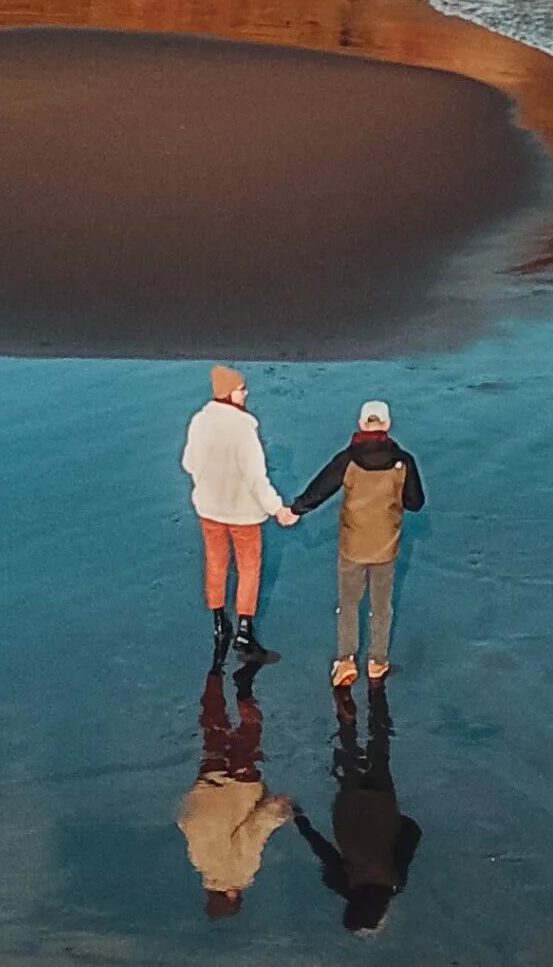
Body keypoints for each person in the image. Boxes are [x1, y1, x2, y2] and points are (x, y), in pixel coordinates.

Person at [294, 399, 426, 687]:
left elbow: (321, 488)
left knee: (348, 603)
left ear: (361, 423)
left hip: (352, 545)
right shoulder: (403, 461)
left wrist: (296, 509)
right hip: (386, 545)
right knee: (381, 605)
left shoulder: (347, 460)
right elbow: (415, 503)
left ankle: (345, 660)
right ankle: (377, 660)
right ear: (388, 425)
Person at [181, 364, 296, 666]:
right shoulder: (244, 427)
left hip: (209, 508)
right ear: (230, 393)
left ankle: (220, 622)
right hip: (244, 513)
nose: (246, 393)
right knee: (248, 567)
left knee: (216, 563)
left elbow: (189, 463)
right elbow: (256, 477)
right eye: (242, 389)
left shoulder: (199, 421)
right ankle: (245, 628)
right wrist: (277, 509)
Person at [294, 678, 422, 932]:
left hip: (382, 808)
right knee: (348, 755)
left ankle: (377, 694)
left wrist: (397, 823)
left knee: (381, 747)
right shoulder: (345, 884)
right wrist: (301, 821)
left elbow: (412, 833)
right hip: (349, 812)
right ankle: (347, 721)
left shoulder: (395, 882)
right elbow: (324, 851)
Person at [176, 667, 293, 920]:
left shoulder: (240, 874)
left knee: (249, 738)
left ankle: (244, 690)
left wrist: (279, 810)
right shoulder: (199, 863)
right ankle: (214, 678)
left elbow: (252, 831)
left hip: (238, 793)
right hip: (205, 792)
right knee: (213, 735)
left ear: (231, 895)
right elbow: (185, 821)